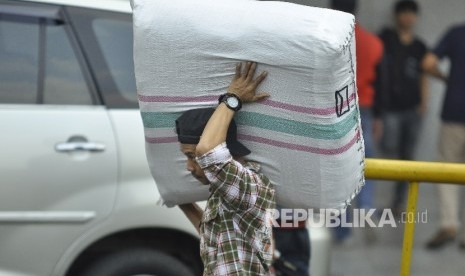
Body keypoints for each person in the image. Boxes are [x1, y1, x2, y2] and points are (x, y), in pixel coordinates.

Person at [177, 62, 277, 274]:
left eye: (192, 157)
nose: (189, 166)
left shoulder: (249, 186)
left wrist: (233, 98)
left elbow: (207, 151)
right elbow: (215, 239)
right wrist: (179, 200)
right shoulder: (225, 192)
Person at [330, 0, 384, 243]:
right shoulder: (373, 42)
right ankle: (366, 210)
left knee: (337, 167)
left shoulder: (327, 41)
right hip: (365, 107)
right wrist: (379, 116)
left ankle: (341, 227)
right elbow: (382, 82)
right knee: (366, 163)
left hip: (335, 109)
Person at [378, 0, 429, 216]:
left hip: (412, 109)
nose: (408, 17)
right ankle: (379, 201)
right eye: (404, 13)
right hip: (389, 108)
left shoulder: (420, 46)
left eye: (411, 14)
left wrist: (424, 103)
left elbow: (424, 76)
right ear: (397, 15)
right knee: (388, 149)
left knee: (407, 156)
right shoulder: (386, 39)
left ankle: (398, 203)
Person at [422, 23, 465, 250]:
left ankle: (449, 225)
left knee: (448, 169)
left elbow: (428, 63)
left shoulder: (456, 33)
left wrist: (447, 79)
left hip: (455, 112)